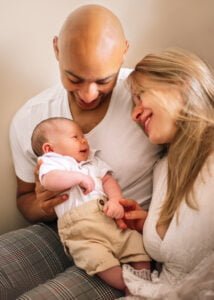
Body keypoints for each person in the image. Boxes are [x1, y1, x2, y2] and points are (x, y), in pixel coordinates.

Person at [7, 4, 160, 299]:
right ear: (56, 49)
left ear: (124, 51)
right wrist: (45, 203)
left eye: (103, 80)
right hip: (61, 231)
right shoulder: (32, 118)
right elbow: (24, 200)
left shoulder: (147, 100)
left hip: (125, 236)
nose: (88, 94)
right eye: (73, 78)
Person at [117, 48, 214, 299]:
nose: (134, 114)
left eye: (140, 96)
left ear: (180, 83)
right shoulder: (163, 169)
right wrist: (147, 224)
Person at [31, 117, 151, 292]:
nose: (83, 140)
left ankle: (144, 280)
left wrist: (115, 200)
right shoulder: (52, 162)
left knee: (135, 243)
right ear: (49, 149)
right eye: (75, 137)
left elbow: (108, 180)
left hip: (108, 219)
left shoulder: (93, 161)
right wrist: (78, 177)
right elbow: (49, 181)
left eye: (83, 136)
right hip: (81, 232)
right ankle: (128, 286)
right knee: (97, 260)